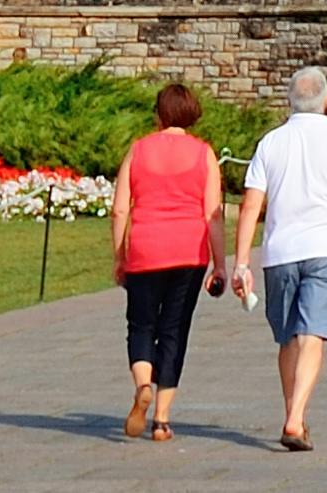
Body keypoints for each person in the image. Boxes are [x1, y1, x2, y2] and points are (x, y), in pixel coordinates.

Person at [231, 53, 327, 453]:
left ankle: (292, 414)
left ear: (289, 101)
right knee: (313, 333)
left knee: (288, 338)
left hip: (280, 252)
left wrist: (242, 261)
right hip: (326, 250)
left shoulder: (271, 142)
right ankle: (295, 417)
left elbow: (251, 205)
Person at [107, 73, 227, 447]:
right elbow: (214, 214)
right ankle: (161, 419)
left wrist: (119, 255)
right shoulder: (204, 153)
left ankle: (143, 384)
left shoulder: (138, 150)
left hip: (146, 249)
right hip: (189, 252)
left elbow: (119, 209)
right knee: (174, 330)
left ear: (159, 114)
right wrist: (220, 264)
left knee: (141, 325)